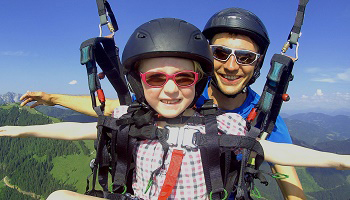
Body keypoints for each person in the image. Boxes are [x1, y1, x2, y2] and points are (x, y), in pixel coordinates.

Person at [1, 18, 350, 200]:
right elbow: (100, 116)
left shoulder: (236, 122)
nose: (170, 89)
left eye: (183, 78)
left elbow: (280, 156)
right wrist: (39, 111)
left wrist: (340, 160)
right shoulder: (144, 111)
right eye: (155, 79)